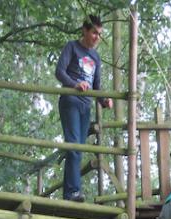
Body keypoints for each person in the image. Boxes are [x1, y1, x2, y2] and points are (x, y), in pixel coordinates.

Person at [55, 15, 113, 202]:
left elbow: (96, 85)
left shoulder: (96, 57)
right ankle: (73, 192)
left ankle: (69, 194)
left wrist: (104, 100)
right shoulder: (72, 47)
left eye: (100, 34)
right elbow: (59, 71)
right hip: (70, 101)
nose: (97, 37)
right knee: (73, 145)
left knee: (77, 149)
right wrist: (75, 84)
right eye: (94, 33)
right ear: (85, 31)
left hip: (85, 105)